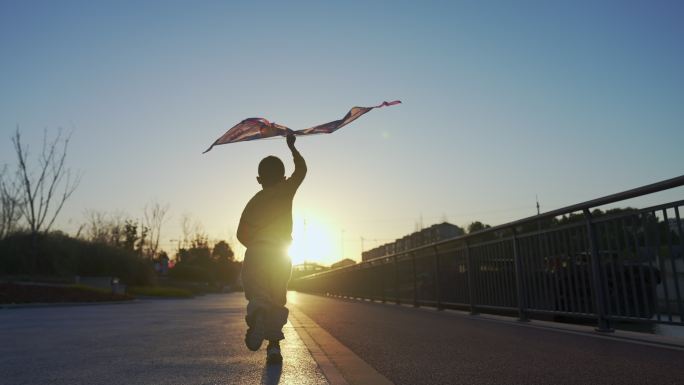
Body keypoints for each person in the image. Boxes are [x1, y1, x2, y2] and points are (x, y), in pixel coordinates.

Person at [237, 133, 306, 364]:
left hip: (257, 253)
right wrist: (293, 148)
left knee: (257, 291)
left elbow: (240, 234)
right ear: (283, 176)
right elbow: (302, 171)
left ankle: (257, 313)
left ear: (259, 179)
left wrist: (255, 245)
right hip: (280, 255)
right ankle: (274, 348)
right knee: (277, 298)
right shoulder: (286, 190)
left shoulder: (254, 201)